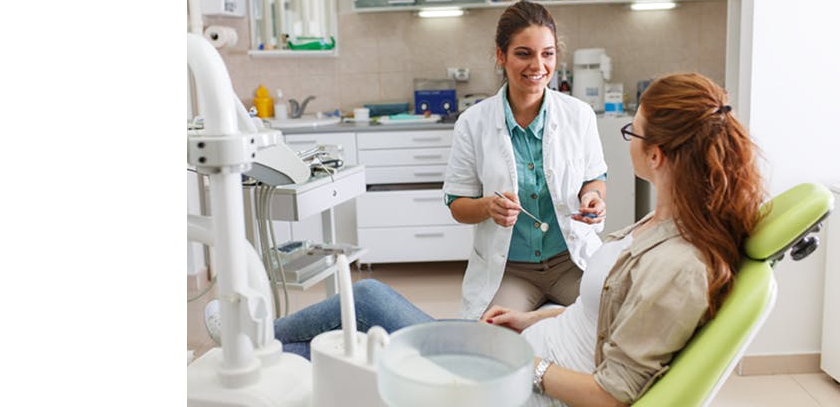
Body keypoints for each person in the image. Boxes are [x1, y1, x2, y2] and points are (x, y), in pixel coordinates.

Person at [222, 72, 764, 406]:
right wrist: (530, 322)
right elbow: (595, 315)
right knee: (362, 308)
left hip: (519, 385)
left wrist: (526, 366)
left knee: (351, 351)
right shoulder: (662, 226)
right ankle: (248, 342)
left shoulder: (680, 266)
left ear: (658, 155)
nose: (628, 141)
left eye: (633, 130)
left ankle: (244, 348)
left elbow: (614, 396)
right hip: (522, 347)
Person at [443, 1, 609, 319]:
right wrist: (487, 207)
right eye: (524, 53)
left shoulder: (579, 115)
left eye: (547, 53)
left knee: (608, 325)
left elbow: (595, 178)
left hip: (569, 261)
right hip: (510, 270)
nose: (538, 65)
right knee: (493, 345)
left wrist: (593, 197)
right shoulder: (473, 122)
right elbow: (457, 205)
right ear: (501, 56)